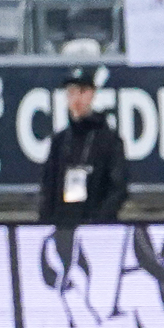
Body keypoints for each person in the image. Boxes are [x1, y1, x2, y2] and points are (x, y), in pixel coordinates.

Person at [39, 68, 128, 225]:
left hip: (98, 229)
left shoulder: (109, 140)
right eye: (71, 92)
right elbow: (48, 188)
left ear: (92, 94)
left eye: (82, 92)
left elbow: (118, 188)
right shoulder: (60, 141)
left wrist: (100, 221)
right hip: (63, 227)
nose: (76, 99)